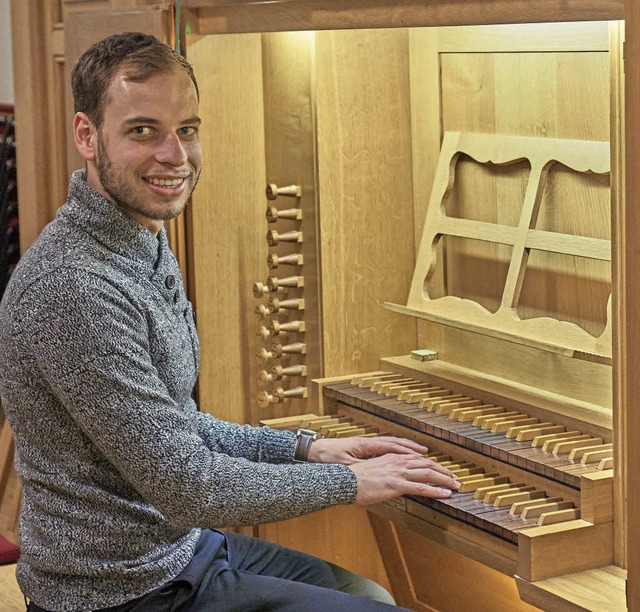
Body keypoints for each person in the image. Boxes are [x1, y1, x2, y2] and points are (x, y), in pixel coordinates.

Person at [0, 32, 460, 612]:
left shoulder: (138, 241)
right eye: (143, 131)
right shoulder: (75, 289)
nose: (176, 156)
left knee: (367, 593)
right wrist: (350, 484)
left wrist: (307, 450)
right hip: (116, 590)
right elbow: (187, 484)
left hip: (175, 550)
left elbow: (179, 428)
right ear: (87, 136)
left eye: (186, 130)